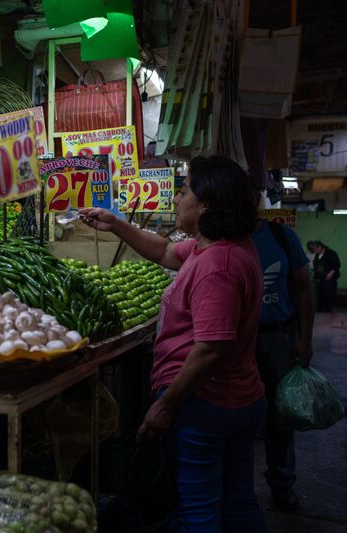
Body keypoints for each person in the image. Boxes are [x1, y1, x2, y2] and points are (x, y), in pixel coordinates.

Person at [80, 156, 267, 531]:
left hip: (207, 403)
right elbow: (164, 252)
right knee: (236, 499)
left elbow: (211, 349)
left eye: (184, 191)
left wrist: (165, 406)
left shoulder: (219, 265)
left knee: (198, 510)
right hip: (234, 399)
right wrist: (116, 223)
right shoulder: (215, 248)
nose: (177, 199)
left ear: (206, 205)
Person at [252, 212, 315, 511]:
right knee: (238, 412)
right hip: (237, 341)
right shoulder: (225, 236)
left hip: (278, 337)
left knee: (281, 415)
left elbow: (303, 288)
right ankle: (234, 487)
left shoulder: (280, 237)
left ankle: (282, 482)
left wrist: (304, 339)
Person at [310, 241, 340, 312]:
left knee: (328, 293)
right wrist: (314, 272)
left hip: (330, 277)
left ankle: (328, 309)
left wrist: (331, 273)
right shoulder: (317, 255)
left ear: (320, 247)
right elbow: (317, 266)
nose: (314, 251)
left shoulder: (331, 253)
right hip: (322, 277)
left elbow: (336, 264)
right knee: (321, 292)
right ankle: (321, 309)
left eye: (315, 249)